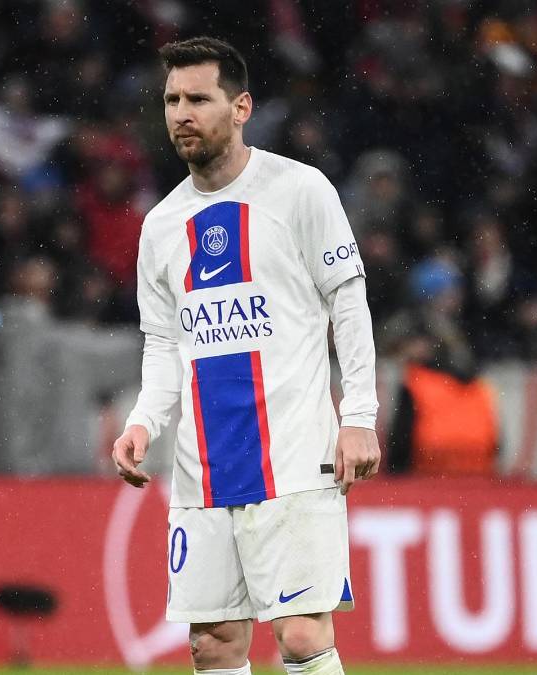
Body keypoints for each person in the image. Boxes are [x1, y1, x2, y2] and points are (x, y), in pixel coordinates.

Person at [113, 37, 380, 675]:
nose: (182, 114)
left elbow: (348, 303)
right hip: (203, 466)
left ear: (241, 107)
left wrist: (359, 416)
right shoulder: (161, 225)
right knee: (213, 645)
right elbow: (165, 341)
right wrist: (144, 420)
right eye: (172, 100)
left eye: (198, 99)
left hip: (295, 454)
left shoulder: (299, 190)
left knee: (301, 635)